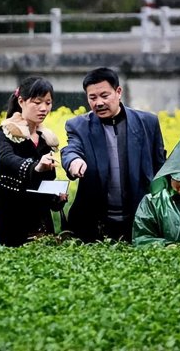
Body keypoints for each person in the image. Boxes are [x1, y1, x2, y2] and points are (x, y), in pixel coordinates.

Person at [60, 67, 166, 242]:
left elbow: (160, 167)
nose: (98, 103)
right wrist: (74, 162)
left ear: (118, 92)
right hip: (95, 225)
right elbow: (72, 149)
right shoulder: (78, 125)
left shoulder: (148, 122)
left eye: (104, 95)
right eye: (92, 98)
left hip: (141, 220)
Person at [0, 76, 68, 247]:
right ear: (21, 101)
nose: (44, 108)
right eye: (37, 102)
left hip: (40, 222)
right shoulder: (5, 133)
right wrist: (35, 167)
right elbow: (4, 158)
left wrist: (56, 198)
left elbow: (45, 182)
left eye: (48, 103)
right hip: (10, 218)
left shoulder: (46, 139)